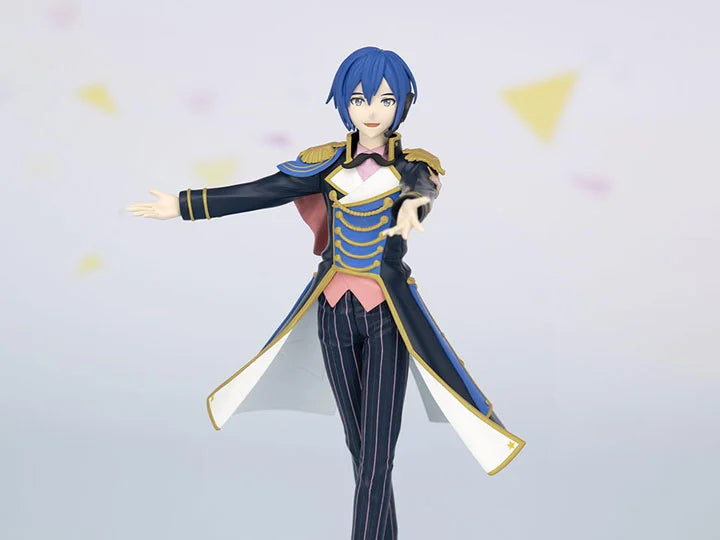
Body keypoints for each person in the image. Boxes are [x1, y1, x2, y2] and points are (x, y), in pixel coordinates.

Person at [127, 46, 524, 540]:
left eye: (384, 99)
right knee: (361, 451)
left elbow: (423, 191)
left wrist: (412, 210)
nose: (371, 110)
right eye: (359, 99)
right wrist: (186, 204)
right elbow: (263, 192)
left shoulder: (414, 167)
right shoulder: (325, 164)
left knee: (377, 457)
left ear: (402, 103)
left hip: (388, 318)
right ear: (344, 103)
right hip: (333, 313)